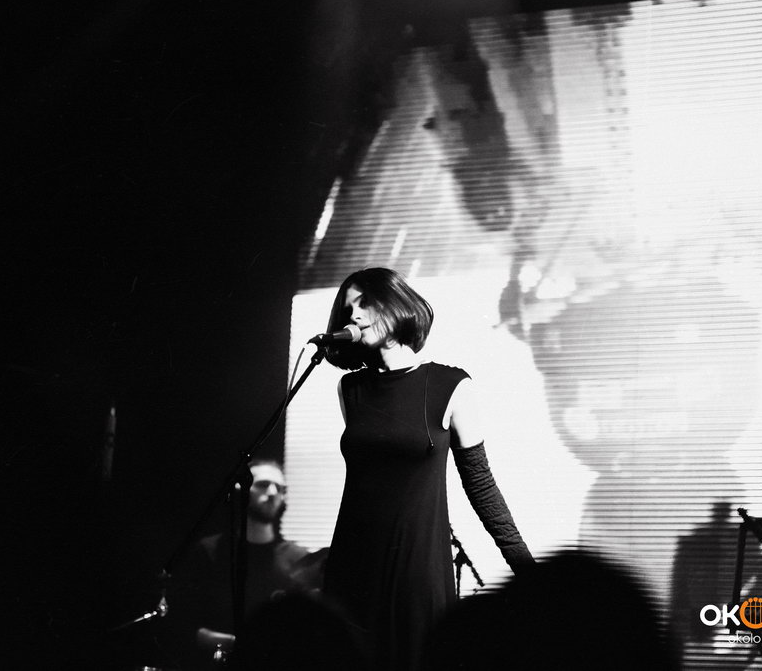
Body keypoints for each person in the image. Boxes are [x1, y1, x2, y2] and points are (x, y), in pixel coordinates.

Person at [321, 268, 533, 671]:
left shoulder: (451, 385)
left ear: (397, 302)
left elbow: (481, 485)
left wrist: (528, 572)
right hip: (354, 567)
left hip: (415, 569)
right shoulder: (351, 389)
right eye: (348, 309)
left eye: (365, 303)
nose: (355, 315)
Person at [168, 459, 319, 669]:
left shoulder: (299, 559)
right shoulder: (208, 551)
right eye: (263, 484)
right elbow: (183, 623)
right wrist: (239, 645)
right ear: (241, 490)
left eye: (280, 488)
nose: (273, 492)